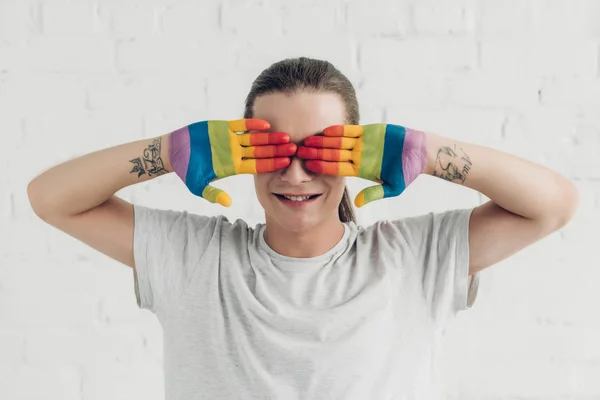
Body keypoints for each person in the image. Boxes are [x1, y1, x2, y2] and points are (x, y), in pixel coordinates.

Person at [27, 57, 579, 399]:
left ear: (357, 155)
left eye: (322, 148)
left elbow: (553, 205)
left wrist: (425, 151)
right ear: (238, 153)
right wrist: (167, 152)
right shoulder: (192, 256)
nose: (295, 173)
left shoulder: (415, 257)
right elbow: (50, 198)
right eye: (272, 148)